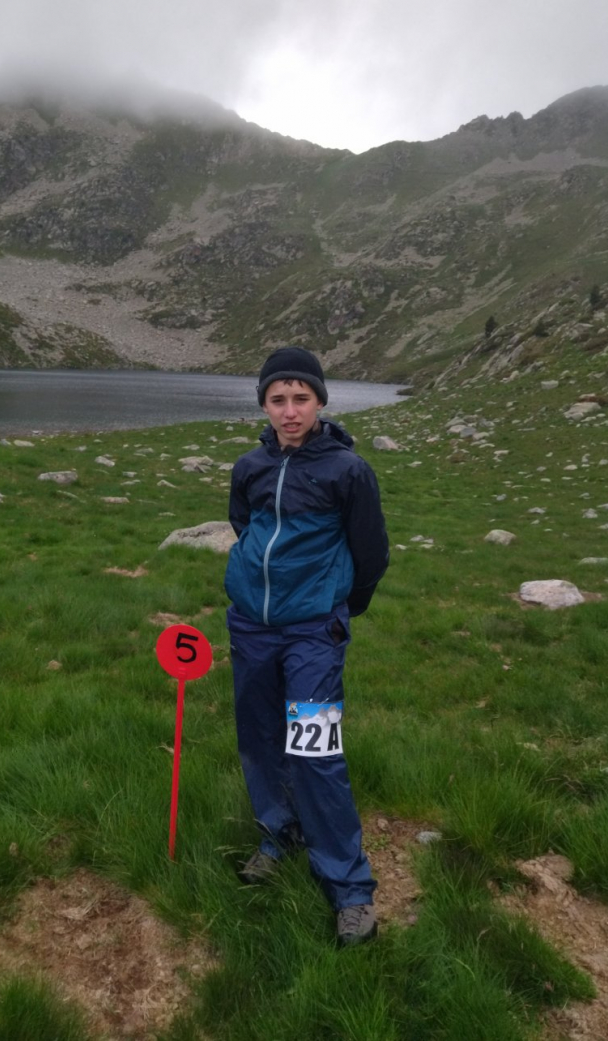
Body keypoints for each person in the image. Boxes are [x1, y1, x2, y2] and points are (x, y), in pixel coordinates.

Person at [224, 346, 389, 946]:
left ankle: (349, 888)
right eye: (278, 399)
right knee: (260, 736)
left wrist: (339, 607)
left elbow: (371, 552)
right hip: (251, 626)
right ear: (263, 404)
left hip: (315, 631)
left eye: (301, 398)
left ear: (320, 400)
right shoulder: (249, 466)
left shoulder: (348, 471)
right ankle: (280, 833)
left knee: (314, 750)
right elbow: (244, 526)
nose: (289, 411)